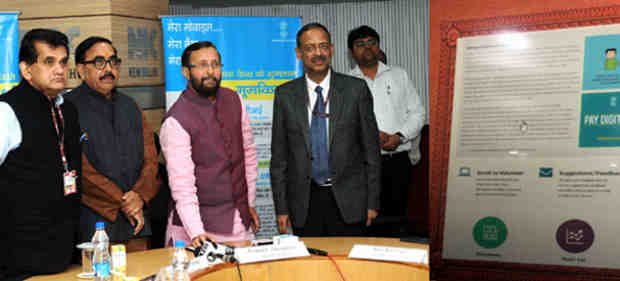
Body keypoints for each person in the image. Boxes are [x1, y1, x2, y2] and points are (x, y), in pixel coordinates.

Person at [270, 22, 382, 237]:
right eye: (310, 48)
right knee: (310, 267)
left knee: (349, 267)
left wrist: (373, 202)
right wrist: (282, 208)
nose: (317, 53)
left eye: (323, 46)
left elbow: (371, 152)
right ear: (299, 53)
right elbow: (279, 158)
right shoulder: (284, 95)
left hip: (350, 201)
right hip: (304, 202)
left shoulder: (355, 90)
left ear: (331, 49)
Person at [0, 28, 81, 281]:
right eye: (49, 62)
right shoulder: (6, 111)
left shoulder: (68, 109)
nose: (59, 70)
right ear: (26, 70)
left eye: (63, 62)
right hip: (17, 259)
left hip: (63, 251)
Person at [160, 41, 260, 247]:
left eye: (215, 64)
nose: (210, 71)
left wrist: (248, 203)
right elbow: (182, 185)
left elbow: (248, 155)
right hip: (196, 229)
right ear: (186, 72)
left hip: (238, 221)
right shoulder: (176, 120)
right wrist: (197, 232)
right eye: (202, 65)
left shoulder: (234, 99)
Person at [66, 36, 159, 252]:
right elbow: (79, 168)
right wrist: (123, 200)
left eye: (113, 62)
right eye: (99, 62)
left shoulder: (130, 106)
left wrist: (139, 197)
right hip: (95, 220)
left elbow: (151, 159)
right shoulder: (68, 108)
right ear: (80, 69)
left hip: (137, 219)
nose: (108, 69)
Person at [347, 25, 426, 237]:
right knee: (366, 222)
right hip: (362, 165)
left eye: (372, 42)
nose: (367, 48)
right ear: (351, 51)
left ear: (379, 46)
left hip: (397, 161)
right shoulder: (346, 83)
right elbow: (343, 125)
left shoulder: (399, 75)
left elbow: (418, 113)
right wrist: (371, 136)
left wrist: (399, 137)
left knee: (396, 222)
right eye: (360, 44)